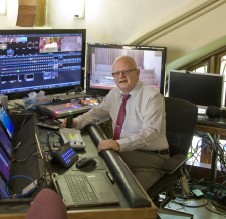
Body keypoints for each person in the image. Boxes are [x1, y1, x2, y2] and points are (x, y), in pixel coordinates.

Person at [61, 55, 169, 191]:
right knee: (96, 179)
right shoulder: (114, 94)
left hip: (151, 158)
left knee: (129, 194)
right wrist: (77, 122)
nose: (121, 76)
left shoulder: (152, 98)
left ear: (137, 73)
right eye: (116, 73)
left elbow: (150, 134)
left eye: (126, 71)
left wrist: (118, 144)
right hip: (123, 152)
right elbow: (96, 113)